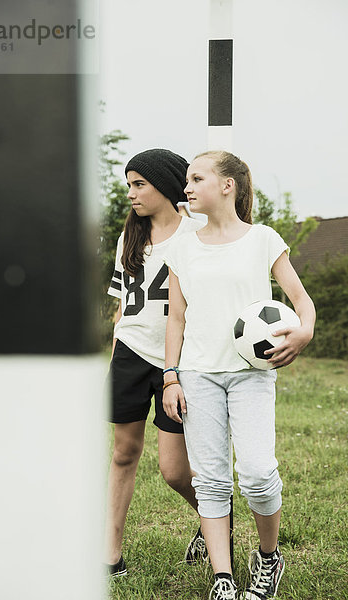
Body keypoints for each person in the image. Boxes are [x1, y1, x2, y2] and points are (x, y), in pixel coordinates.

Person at [162, 150, 316, 600]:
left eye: (196, 178)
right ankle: (223, 580)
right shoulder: (182, 247)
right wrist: (171, 377)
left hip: (251, 374)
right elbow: (176, 318)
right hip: (196, 375)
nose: (186, 187)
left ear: (227, 185)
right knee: (209, 479)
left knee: (256, 473)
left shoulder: (263, 239)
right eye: (186, 180)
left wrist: (303, 333)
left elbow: (301, 300)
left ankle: (269, 558)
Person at [105, 148, 207, 577]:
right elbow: (121, 307)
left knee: (173, 470)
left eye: (139, 184)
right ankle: (110, 554)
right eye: (129, 184)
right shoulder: (128, 237)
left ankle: (215, 517)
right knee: (123, 453)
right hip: (129, 353)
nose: (131, 193)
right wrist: (113, 356)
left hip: (176, 361)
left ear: (165, 184)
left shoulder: (199, 233)